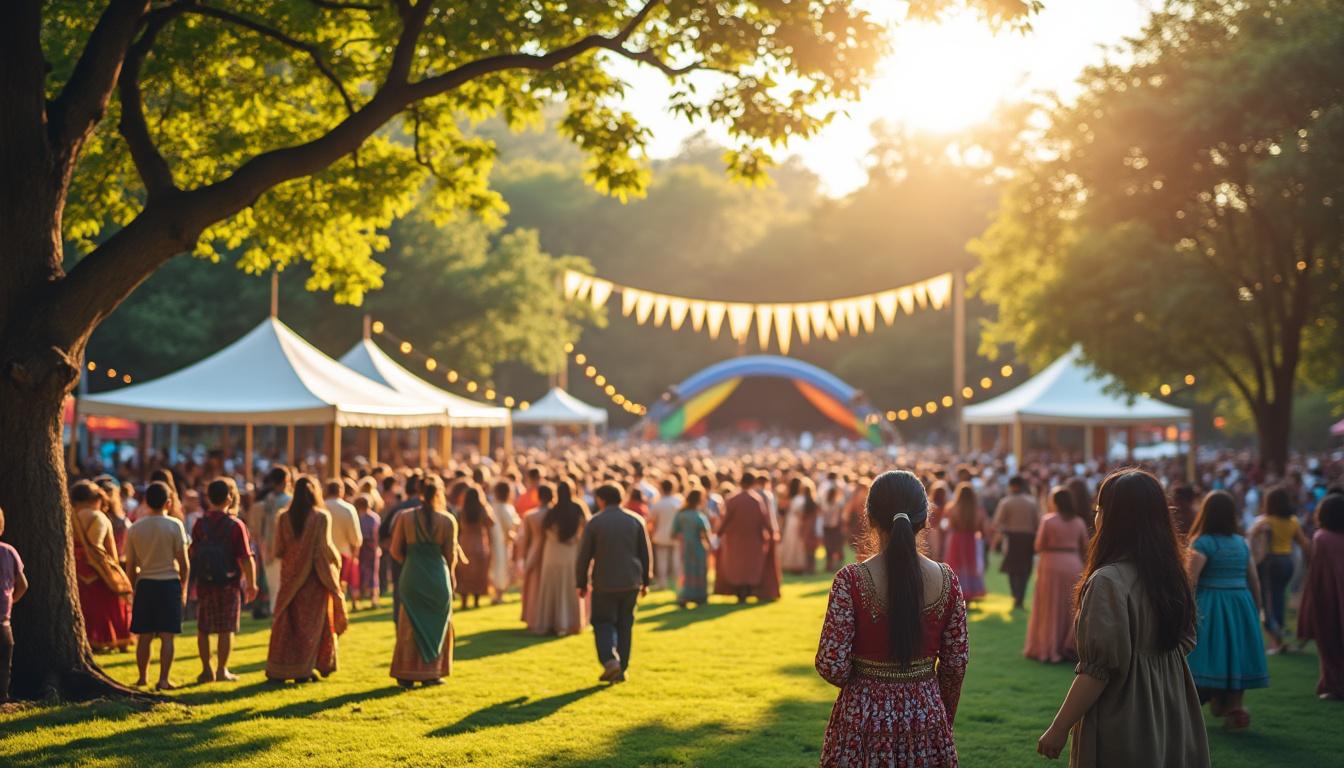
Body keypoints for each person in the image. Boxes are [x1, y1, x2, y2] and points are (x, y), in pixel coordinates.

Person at [1036, 469, 1208, 766]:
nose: (1096, 516)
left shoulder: (1108, 581)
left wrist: (1059, 727)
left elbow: (1097, 670)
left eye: (1100, 509)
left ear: (1113, 518)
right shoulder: (1172, 574)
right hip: (1172, 705)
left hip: (1125, 712)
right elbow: (1186, 639)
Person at [815, 470, 968, 766]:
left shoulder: (851, 580)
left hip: (862, 716)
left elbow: (832, 666)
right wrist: (938, 710)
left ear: (870, 519)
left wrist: (867, 679)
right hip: (925, 713)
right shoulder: (947, 580)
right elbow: (956, 664)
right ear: (924, 520)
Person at [1185, 490, 1268, 729]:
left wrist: (1185, 611)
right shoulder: (1241, 543)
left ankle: (1197, 705)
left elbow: (1191, 581)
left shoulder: (1202, 543)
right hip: (1241, 603)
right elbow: (1254, 580)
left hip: (1211, 605)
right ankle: (1234, 707)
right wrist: (1256, 610)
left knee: (1207, 654)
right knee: (1235, 655)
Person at [265, 476, 347, 683]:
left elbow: (279, 549)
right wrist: (336, 565)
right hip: (313, 578)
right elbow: (324, 548)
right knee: (310, 626)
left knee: (288, 624)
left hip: (290, 576)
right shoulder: (320, 517)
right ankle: (304, 669)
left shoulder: (283, 518)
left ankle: (282, 668)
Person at [576, 483, 653, 683]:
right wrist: (646, 580)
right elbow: (645, 554)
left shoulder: (595, 522)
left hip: (605, 581)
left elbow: (584, 556)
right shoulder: (635, 520)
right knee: (625, 624)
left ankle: (610, 661)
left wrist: (581, 582)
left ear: (601, 500)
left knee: (602, 622)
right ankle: (621, 668)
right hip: (630, 581)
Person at [390, 477, 458, 687]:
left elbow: (395, 551)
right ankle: (432, 673)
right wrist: (451, 578)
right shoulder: (447, 520)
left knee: (409, 624)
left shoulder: (405, 517)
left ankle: (406, 673)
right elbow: (450, 556)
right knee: (437, 624)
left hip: (412, 575)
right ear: (440, 494)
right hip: (437, 575)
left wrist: (413, 561)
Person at [190, 477, 258, 683]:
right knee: (226, 628)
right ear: (229, 498)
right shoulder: (236, 525)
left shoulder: (200, 524)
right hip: (229, 582)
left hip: (205, 581)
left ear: (208, 498)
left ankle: (206, 670)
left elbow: (193, 552)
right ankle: (222, 670)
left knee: (204, 627)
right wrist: (252, 584)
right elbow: (246, 557)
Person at [124, 481, 190, 690]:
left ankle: (142, 677)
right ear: (168, 502)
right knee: (167, 636)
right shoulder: (174, 525)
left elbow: (131, 565)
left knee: (144, 635)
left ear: (146, 501)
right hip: (169, 583)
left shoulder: (135, 528)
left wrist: (132, 588)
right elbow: (183, 561)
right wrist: (184, 586)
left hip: (145, 584)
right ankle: (163, 679)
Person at [1024, 487, 1090, 664]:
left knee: (1049, 606)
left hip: (1051, 564)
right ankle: (1069, 646)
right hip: (1073, 564)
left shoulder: (1048, 520)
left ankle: (1049, 647)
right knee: (1070, 606)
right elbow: (1085, 546)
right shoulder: (1078, 522)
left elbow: (1038, 545)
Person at [70, 480, 132, 652]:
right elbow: (96, 545)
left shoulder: (69, 516)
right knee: (108, 605)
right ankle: (114, 641)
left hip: (74, 568)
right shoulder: (98, 516)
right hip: (95, 569)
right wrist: (110, 567)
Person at [1249, 485, 1312, 653]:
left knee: (1268, 602)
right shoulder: (1293, 521)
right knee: (1279, 599)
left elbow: (1250, 538)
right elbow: (1304, 544)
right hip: (1288, 562)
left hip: (1270, 563)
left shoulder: (1265, 521)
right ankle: (1278, 636)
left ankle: (1276, 641)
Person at [1298, 493, 1344, 699]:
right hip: (1335, 592)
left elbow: (1317, 571)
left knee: (1330, 642)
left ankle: (1335, 686)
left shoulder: (1322, 538)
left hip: (1328, 595)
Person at [532, 481, 590, 636]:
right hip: (570, 553)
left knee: (552, 588)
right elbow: (586, 529)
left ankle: (551, 622)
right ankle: (568, 623)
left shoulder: (552, 512)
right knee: (569, 588)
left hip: (552, 554)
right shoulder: (578, 508)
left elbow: (546, 531)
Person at [714, 472, 774, 603]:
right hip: (752, 539)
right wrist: (771, 532)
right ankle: (747, 591)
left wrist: (718, 533)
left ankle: (739, 593)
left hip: (735, 539)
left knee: (737, 565)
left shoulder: (733, 499)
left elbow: (725, 519)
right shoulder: (756, 500)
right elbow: (765, 519)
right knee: (749, 566)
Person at [246, 466, 292, 617]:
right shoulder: (289, 501)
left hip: (267, 546)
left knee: (274, 586)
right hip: (285, 547)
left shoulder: (265, 501)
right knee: (283, 584)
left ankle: (275, 613)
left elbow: (256, 528)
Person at [993, 476, 1040, 610]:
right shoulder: (1032, 502)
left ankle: (1015, 596)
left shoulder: (1006, 502)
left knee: (1012, 569)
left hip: (1012, 537)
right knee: (1025, 570)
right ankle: (1020, 598)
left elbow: (997, 523)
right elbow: (1037, 523)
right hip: (1028, 539)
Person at [942, 483, 989, 602]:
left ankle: (955, 592)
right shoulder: (978, 509)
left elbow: (946, 525)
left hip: (955, 539)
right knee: (970, 567)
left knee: (955, 566)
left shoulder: (951, 508)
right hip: (971, 540)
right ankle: (970, 593)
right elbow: (983, 528)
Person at [0, 505, 28, 702]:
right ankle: (2, 698)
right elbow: (23, 584)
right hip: (3, 620)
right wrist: (11, 601)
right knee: (3, 665)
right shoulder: (8, 552)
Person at [517, 483, 553, 631]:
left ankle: (533, 618)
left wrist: (521, 557)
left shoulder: (531, 515)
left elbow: (524, 539)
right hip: (551, 552)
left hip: (535, 551)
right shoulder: (555, 513)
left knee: (534, 586)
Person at [454, 485, 494, 610]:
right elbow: (491, 526)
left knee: (464, 575)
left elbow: (458, 530)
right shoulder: (483, 511)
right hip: (479, 544)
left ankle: (464, 601)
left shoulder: (461, 511)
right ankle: (476, 601)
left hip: (465, 544)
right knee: (479, 574)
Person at [672, 489, 713, 608]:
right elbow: (706, 533)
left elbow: (674, 533)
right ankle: (698, 596)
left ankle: (684, 595)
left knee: (686, 572)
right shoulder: (698, 516)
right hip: (698, 547)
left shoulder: (680, 514)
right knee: (699, 571)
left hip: (685, 548)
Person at [325, 478, 362, 604]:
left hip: (324, 553)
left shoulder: (321, 507)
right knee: (341, 585)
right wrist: (355, 551)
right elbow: (355, 537)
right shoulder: (348, 509)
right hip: (343, 552)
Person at [488, 481, 520, 604]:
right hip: (502, 541)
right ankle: (498, 595)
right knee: (501, 566)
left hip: (498, 540)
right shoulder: (504, 508)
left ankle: (497, 594)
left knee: (497, 566)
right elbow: (509, 525)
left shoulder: (495, 507)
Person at [649, 478, 684, 591]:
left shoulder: (659, 503)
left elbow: (652, 520)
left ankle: (662, 583)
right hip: (676, 534)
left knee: (662, 560)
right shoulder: (678, 502)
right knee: (676, 560)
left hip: (661, 534)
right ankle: (676, 582)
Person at [354, 494, 381, 610]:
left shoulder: (357, 518)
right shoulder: (374, 518)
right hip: (371, 548)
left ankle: (357, 600)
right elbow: (376, 534)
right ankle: (373, 600)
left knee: (359, 574)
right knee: (373, 574)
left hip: (361, 548)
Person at [820, 485, 846, 572]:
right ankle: (832, 565)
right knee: (834, 547)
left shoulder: (828, 504)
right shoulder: (837, 504)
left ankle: (831, 565)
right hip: (833, 528)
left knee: (831, 547)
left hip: (829, 527)